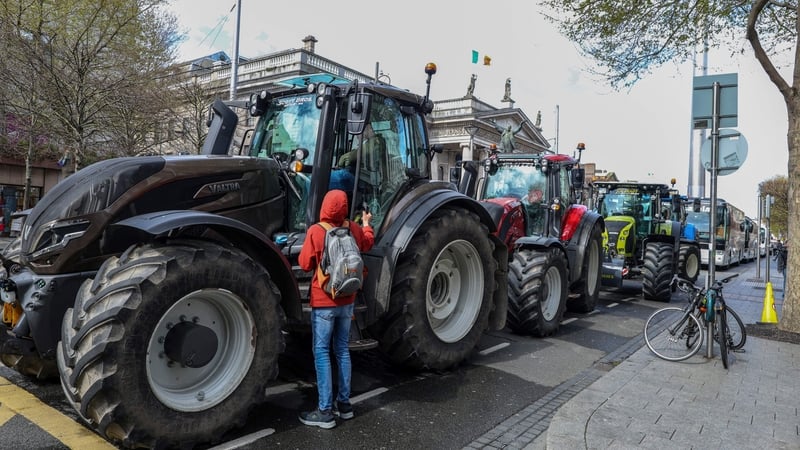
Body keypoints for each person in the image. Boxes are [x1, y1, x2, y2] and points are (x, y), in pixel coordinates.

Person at [298, 189, 374, 429]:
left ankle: (324, 412)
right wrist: (367, 224)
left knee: (321, 352)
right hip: (347, 299)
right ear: (344, 207)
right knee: (342, 350)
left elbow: (304, 263)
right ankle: (344, 405)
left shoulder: (316, 231)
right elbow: (368, 243)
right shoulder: (352, 228)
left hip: (324, 301)